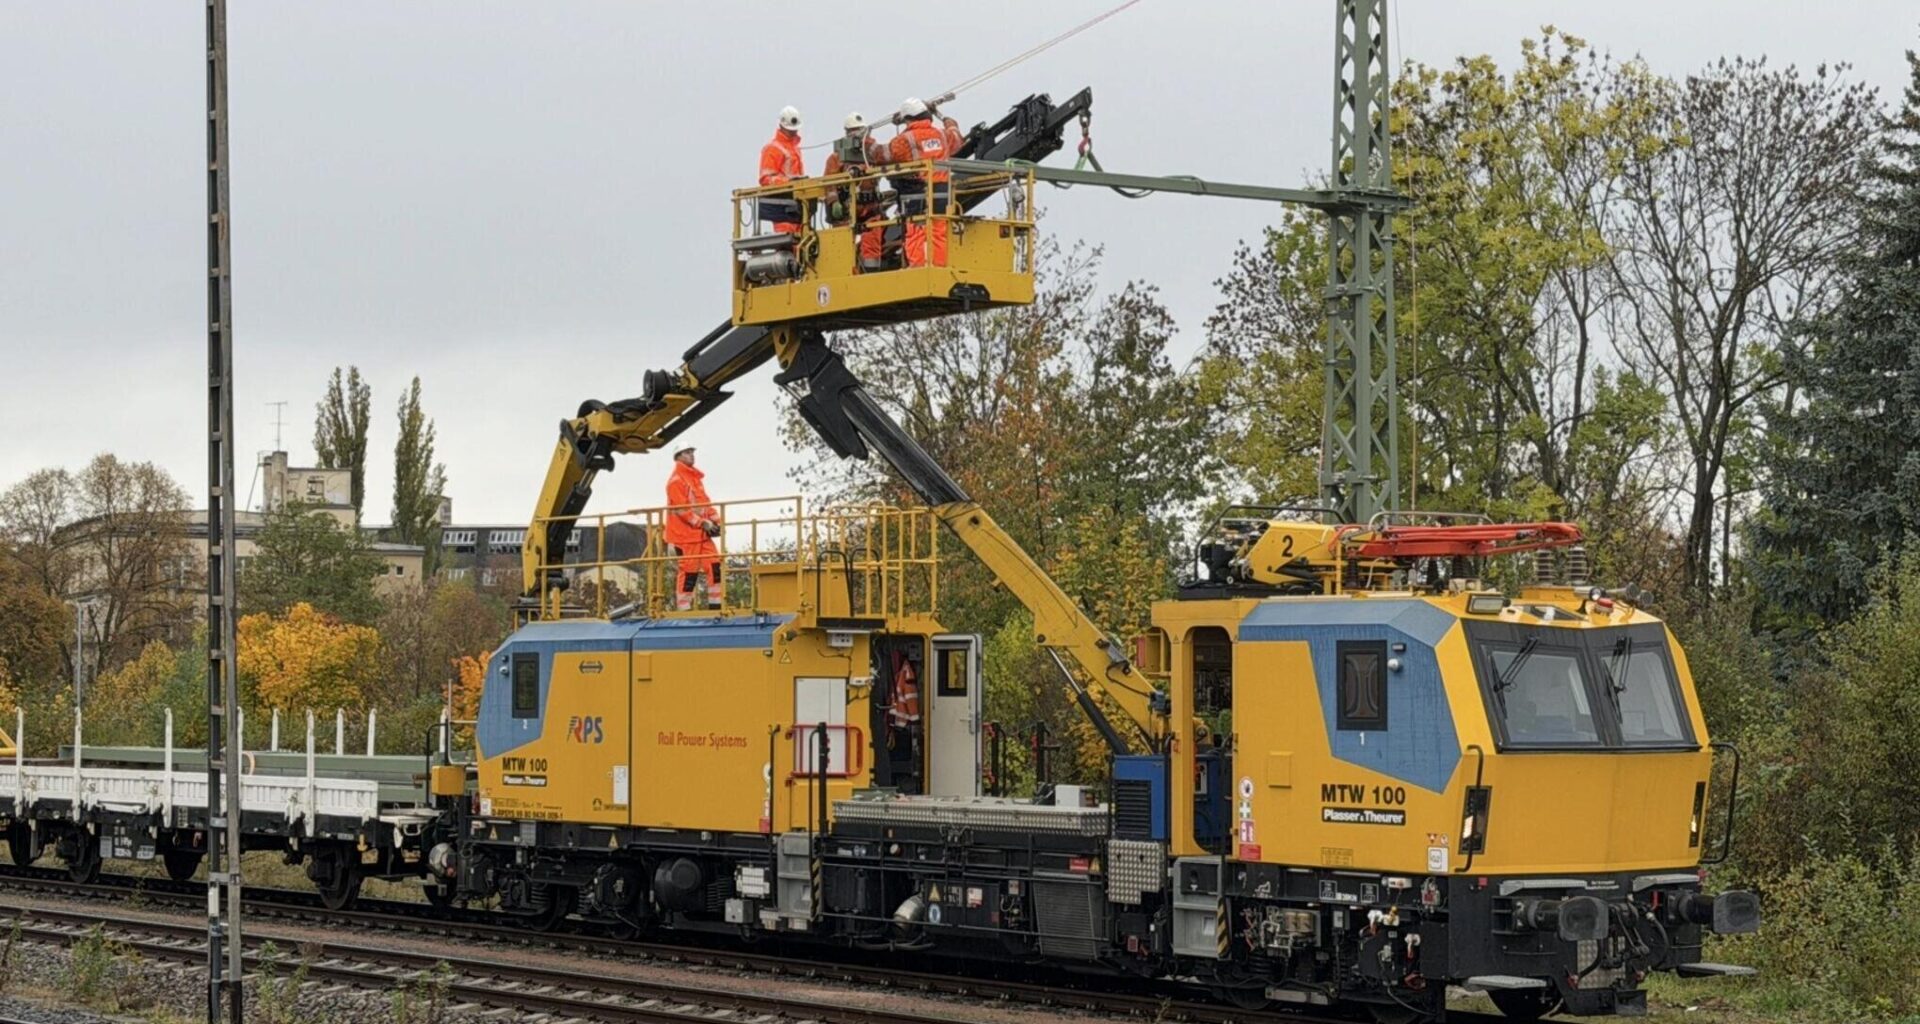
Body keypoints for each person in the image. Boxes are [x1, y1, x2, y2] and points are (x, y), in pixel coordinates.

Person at [886, 97, 963, 267]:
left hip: (917, 192)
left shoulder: (905, 139)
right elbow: (956, 137)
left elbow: (885, 156)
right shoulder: (942, 135)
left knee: (915, 231)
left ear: (908, 119)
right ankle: (939, 266)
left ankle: (919, 268)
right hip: (942, 193)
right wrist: (944, 118)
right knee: (939, 231)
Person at [823, 112, 889, 270]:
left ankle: (871, 273)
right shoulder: (837, 157)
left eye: (860, 130)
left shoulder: (871, 153)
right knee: (841, 246)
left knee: (872, 244)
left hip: (870, 208)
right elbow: (829, 182)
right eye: (853, 131)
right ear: (846, 133)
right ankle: (843, 272)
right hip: (846, 209)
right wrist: (834, 202)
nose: (857, 134)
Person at [664, 446, 723, 611]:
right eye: (688, 453)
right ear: (678, 456)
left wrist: (717, 520)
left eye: (692, 452)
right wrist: (702, 522)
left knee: (714, 565)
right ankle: (684, 609)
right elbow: (682, 509)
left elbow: (706, 504)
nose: (692, 456)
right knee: (689, 572)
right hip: (684, 536)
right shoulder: (675, 481)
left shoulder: (695, 480)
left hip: (701, 535)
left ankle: (716, 606)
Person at [757, 106, 806, 234]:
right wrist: (788, 182)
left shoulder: (795, 149)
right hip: (782, 205)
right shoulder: (772, 149)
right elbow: (765, 179)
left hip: (798, 203)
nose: (794, 133)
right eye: (791, 130)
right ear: (782, 126)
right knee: (787, 240)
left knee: (802, 241)